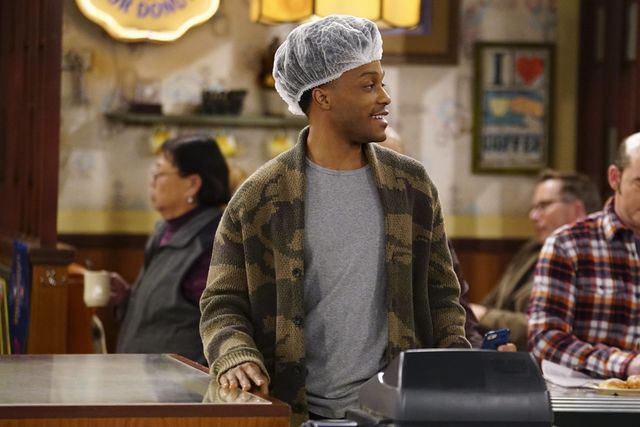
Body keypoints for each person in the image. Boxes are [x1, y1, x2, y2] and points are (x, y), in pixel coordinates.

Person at [199, 15, 469, 424]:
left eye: (382, 83)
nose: (385, 98)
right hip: (294, 412)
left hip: (398, 411)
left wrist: (457, 368)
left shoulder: (411, 186)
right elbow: (222, 302)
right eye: (368, 85)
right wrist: (234, 354)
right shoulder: (259, 198)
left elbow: (442, 295)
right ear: (322, 97)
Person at [528, 132, 640, 379]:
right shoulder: (568, 244)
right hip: (587, 396)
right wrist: (626, 365)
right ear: (615, 178)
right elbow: (544, 339)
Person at [111, 135, 230, 365]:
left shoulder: (212, 242)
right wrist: (128, 297)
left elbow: (224, 321)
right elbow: (170, 311)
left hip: (183, 382)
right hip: (145, 377)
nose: (152, 182)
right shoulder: (164, 230)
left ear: (192, 184)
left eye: (159, 173)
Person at [469, 170, 601, 350]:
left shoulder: (592, 261)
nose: (533, 216)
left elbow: (547, 331)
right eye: (534, 207)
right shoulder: (532, 250)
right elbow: (491, 303)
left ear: (577, 210)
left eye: (544, 205)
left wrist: (485, 316)